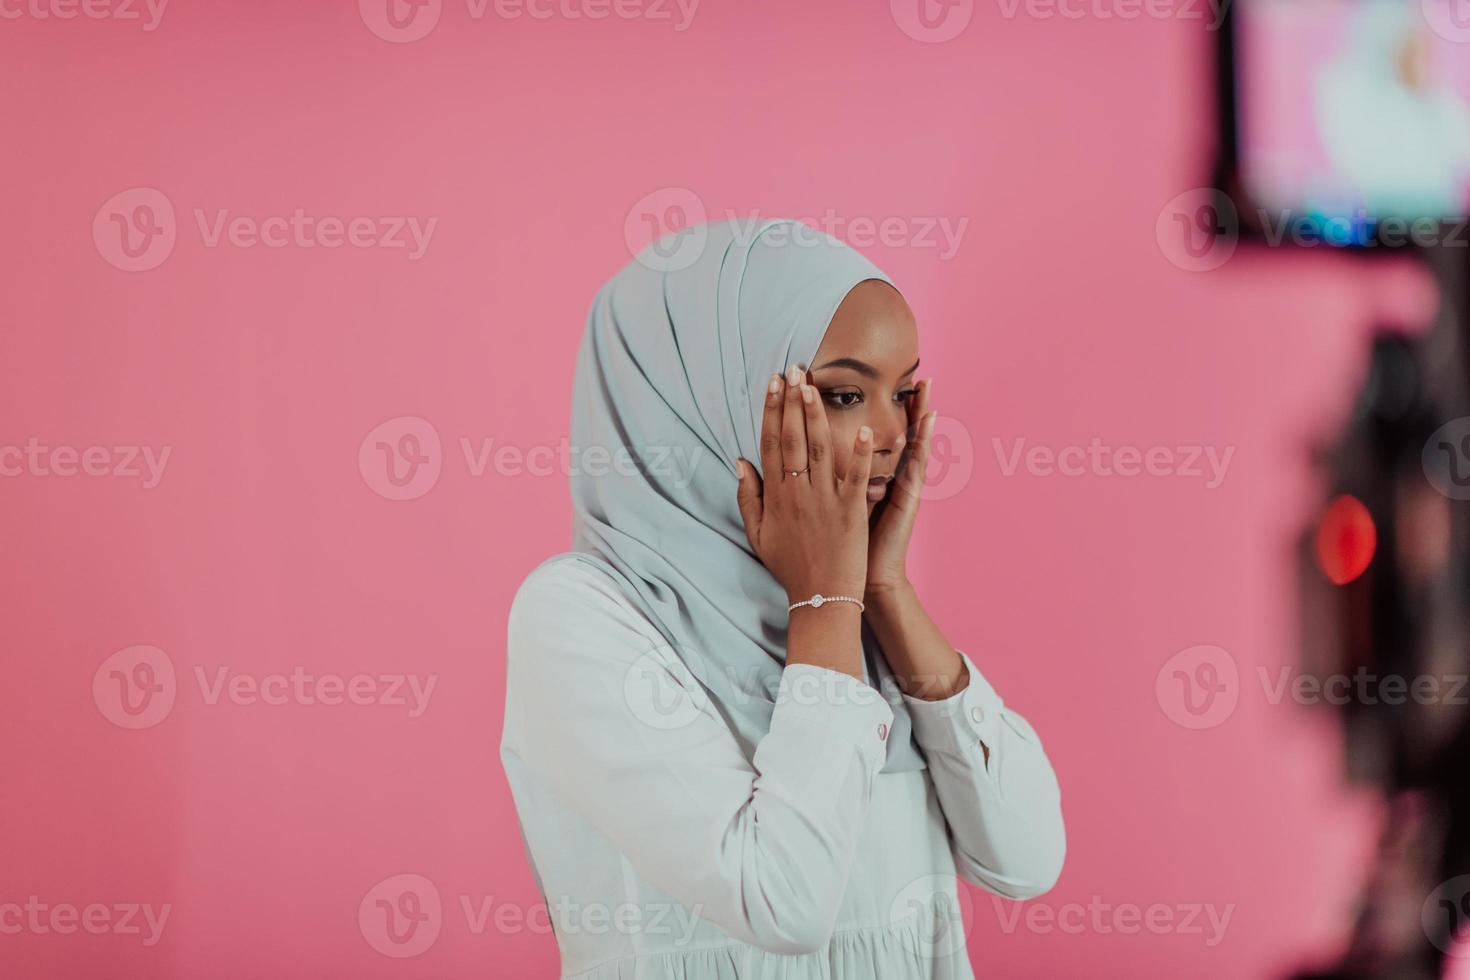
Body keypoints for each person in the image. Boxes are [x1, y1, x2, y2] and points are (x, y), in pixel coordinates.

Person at [500, 218, 1065, 979]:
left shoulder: (854, 620)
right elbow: (782, 902)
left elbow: (1026, 859)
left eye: (900, 394)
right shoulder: (577, 618)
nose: (890, 433)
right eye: (841, 395)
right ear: (700, 397)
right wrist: (827, 602)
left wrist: (881, 589)